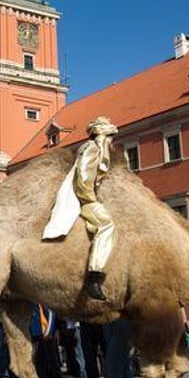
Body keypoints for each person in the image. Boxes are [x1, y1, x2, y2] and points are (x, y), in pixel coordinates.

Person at [43, 116, 119, 300]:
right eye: (109, 136)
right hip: (84, 200)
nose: (111, 141)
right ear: (102, 136)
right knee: (107, 226)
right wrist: (91, 201)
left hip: (87, 197)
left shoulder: (92, 148)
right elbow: (84, 177)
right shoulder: (94, 149)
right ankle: (95, 276)